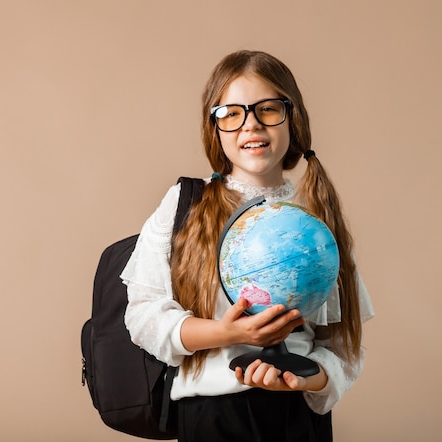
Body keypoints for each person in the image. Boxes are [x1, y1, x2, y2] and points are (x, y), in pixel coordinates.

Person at [120, 50, 374, 442]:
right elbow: (144, 316)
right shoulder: (186, 205)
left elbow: (344, 349)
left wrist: (302, 379)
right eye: (231, 113)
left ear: (294, 119)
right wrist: (226, 333)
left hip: (296, 417)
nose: (250, 125)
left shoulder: (315, 221)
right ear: (215, 126)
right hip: (211, 418)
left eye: (268, 109)